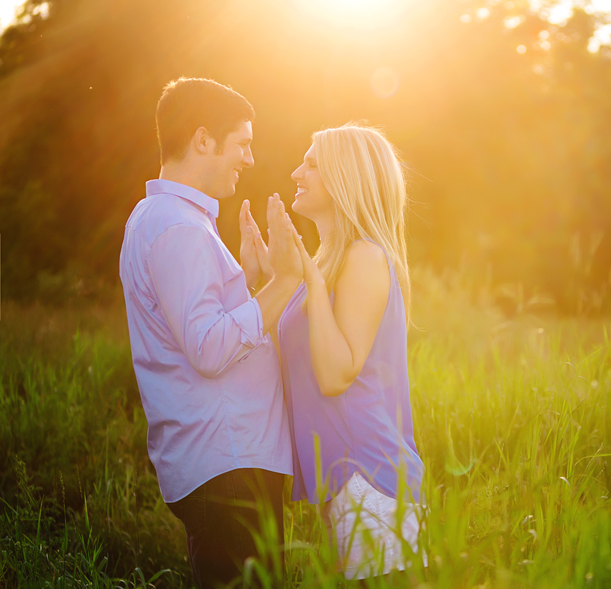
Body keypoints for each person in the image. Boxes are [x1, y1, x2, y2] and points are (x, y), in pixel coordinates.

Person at [119, 77, 305, 588]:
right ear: (203, 140)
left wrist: (245, 283)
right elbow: (207, 348)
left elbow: (193, 324)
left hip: (227, 461)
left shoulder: (163, 219)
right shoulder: (178, 227)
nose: (249, 157)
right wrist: (286, 280)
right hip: (228, 464)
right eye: (242, 143)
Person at [278, 123, 427, 581]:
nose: (295, 172)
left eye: (311, 163)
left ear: (345, 178)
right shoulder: (328, 259)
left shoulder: (363, 256)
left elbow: (335, 375)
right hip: (343, 480)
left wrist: (313, 283)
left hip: (370, 476)